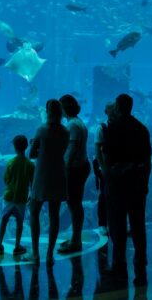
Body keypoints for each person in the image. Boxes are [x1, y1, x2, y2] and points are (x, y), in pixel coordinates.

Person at [102, 93, 152, 285]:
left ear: (117, 107)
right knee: (138, 223)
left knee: (117, 224)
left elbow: (107, 159)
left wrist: (108, 179)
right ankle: (141, 258)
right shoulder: (141, 129)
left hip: (117, 184)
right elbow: (147, 160)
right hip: (137, 183)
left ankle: (118, 261)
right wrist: (145, 182)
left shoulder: (111, 129)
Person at [25, 99, 69, 264]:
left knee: (34, 211)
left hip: (42, 174)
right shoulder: (65, 131)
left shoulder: (41, 130)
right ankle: (50, 254)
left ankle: (35, 253)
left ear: (47, 111)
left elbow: (32, 154)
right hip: (58, 173)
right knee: (54, 215)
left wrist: (33, 145)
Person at [59, 94, 90, 254]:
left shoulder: (72, 126)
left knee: (74, 204)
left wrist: (63, 170)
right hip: (82, 165)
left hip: (75, 169)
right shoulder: (79, 122)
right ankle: (75, 237)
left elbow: (71, 150)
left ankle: (76, 241)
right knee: (75, 204)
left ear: (64, 108)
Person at [0, 135, 35, 256]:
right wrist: (30, 194)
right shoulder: (30, 164)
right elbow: (32, 183)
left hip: (9, 197)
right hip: (21, 198)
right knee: (19, 222)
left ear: (14, 147)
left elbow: (6, 179)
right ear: (26, 146)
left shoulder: (11, 162)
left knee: (4, 220)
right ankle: (17, 246)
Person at [93, 102, 115, 233]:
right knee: (104, 195)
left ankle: (117, 221)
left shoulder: (121, 127)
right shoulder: (102, 128)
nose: (113, 111)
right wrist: (102, 167)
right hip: (106, 167)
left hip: (118, 167)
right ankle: (102, 223)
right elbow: (97, 150)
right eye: (110, 109)